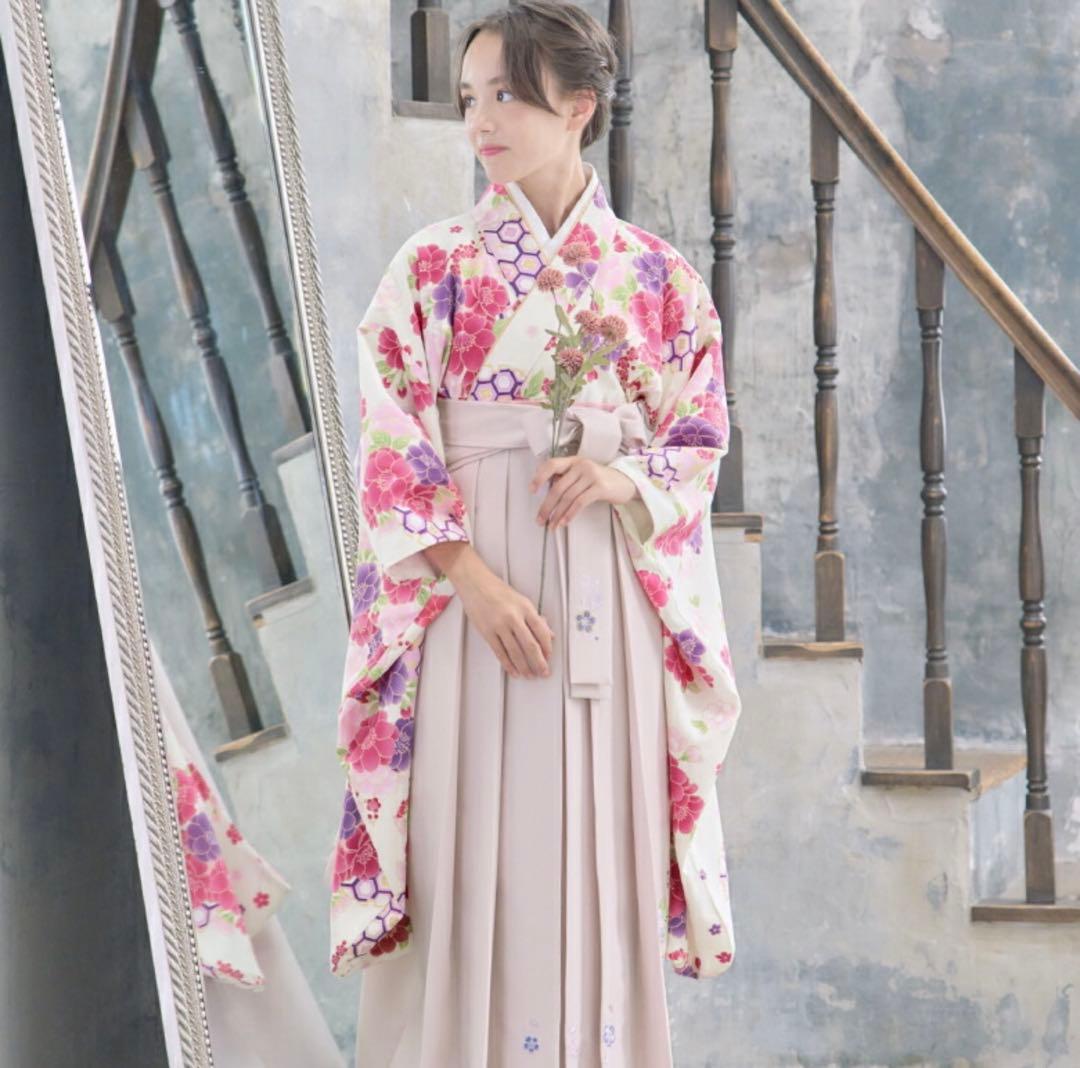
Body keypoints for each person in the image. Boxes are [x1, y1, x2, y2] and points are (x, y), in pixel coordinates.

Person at [328, 2, 743, 1064]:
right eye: (472, 98)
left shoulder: (659, 278)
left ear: (579, 107)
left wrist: (619, 473)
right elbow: (389, 438)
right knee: (467, 849)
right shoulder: (433, 267)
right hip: (467, 592)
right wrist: (469, 579)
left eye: (507, 95)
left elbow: (698, 437)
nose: (481, 121)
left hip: (605, 588)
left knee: (600, 846)